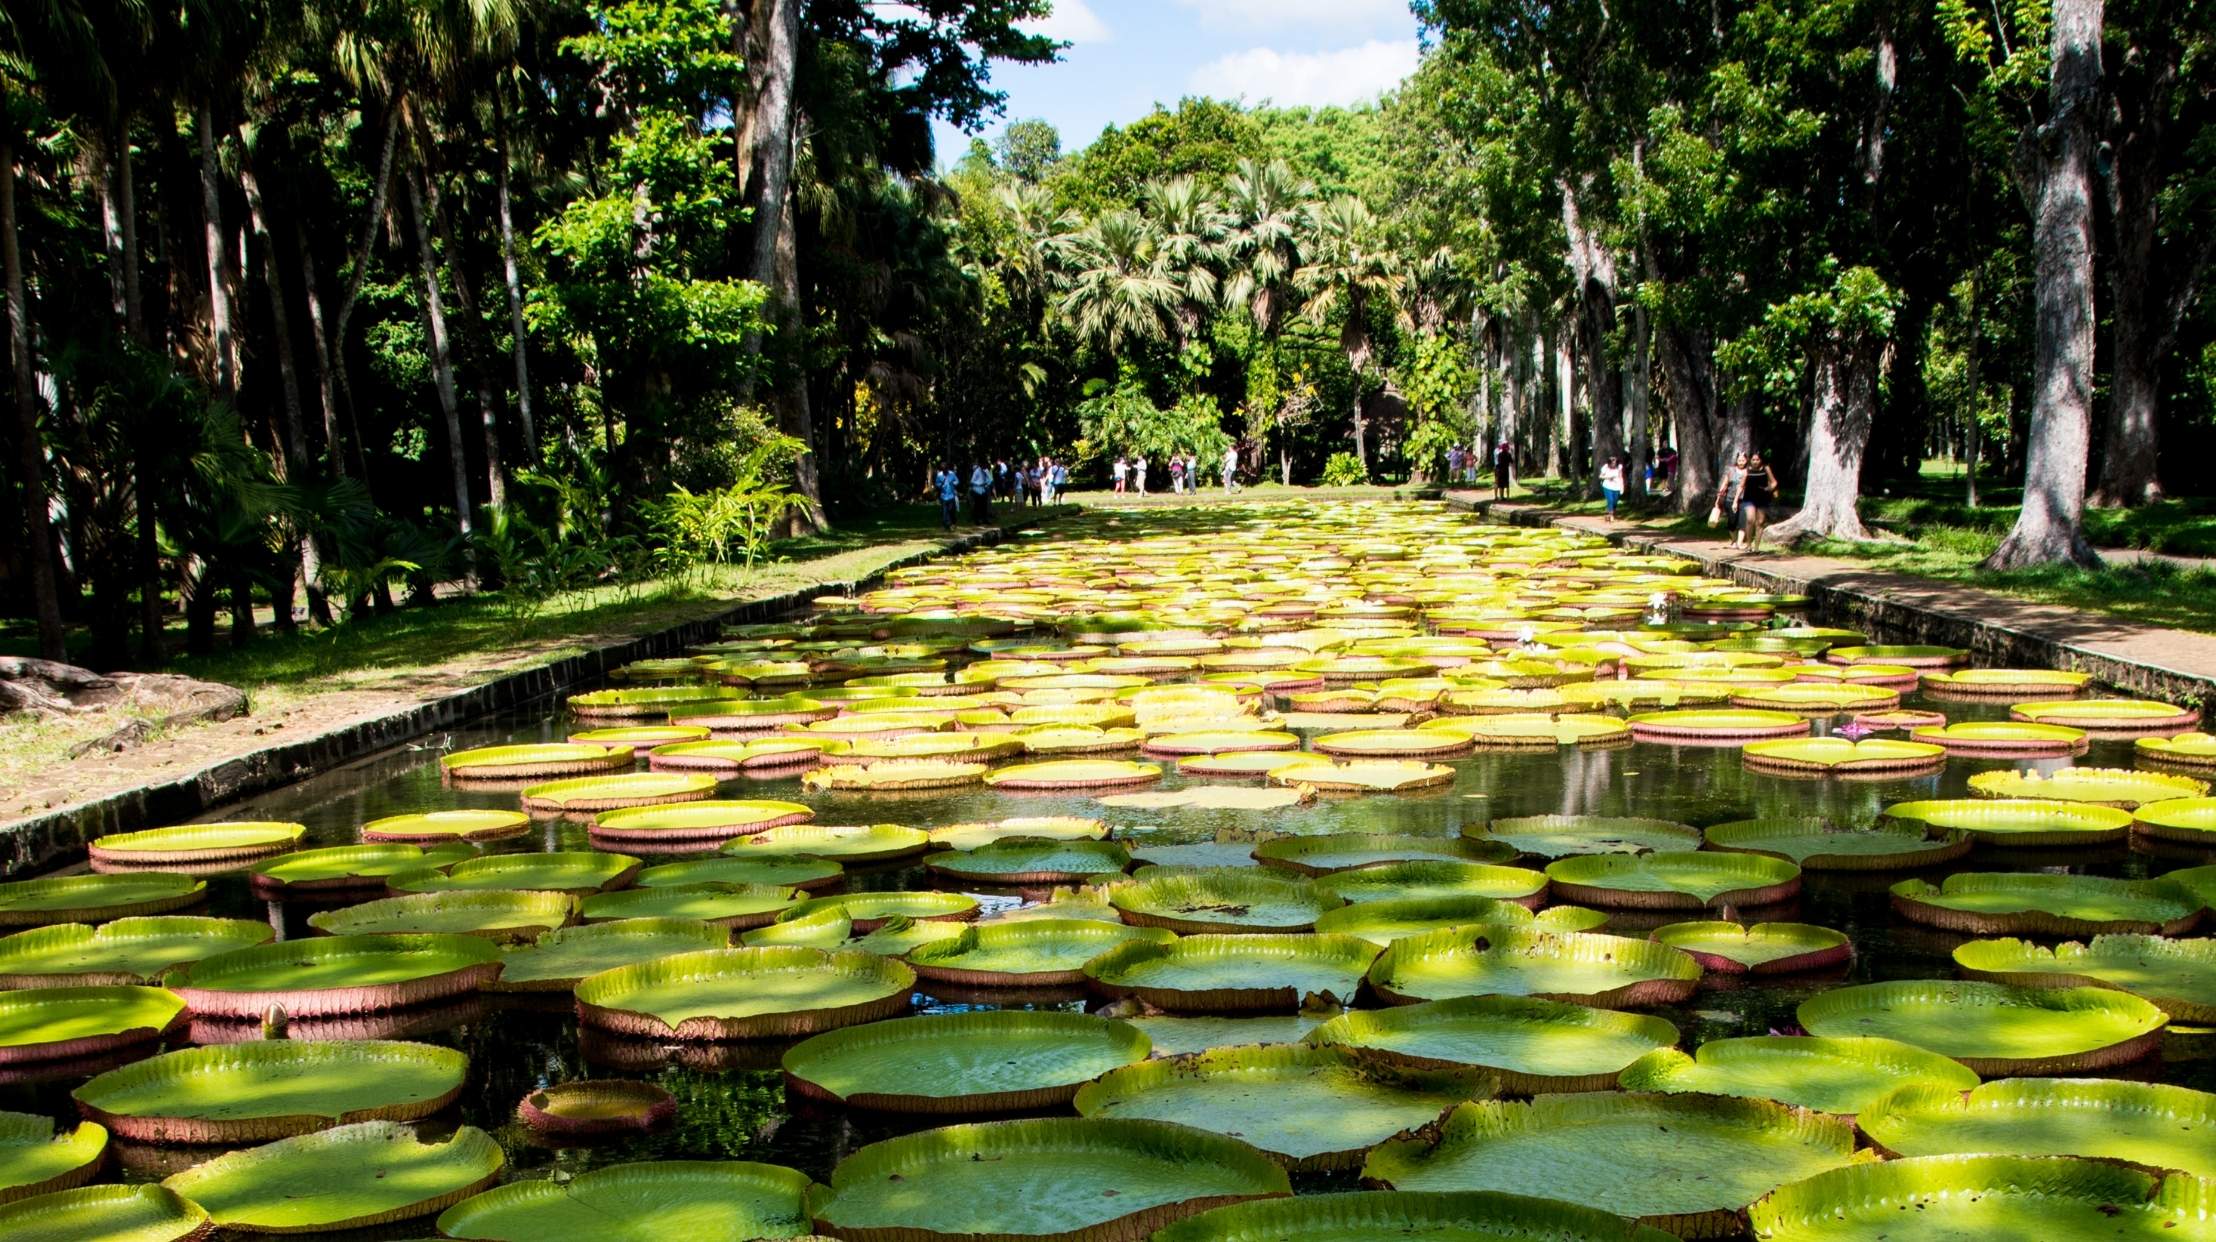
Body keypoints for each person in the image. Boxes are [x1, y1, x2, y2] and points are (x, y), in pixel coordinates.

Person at [1740, 452, 1779, 551]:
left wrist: (1769, 489)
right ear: (1750, 460)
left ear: (1761, 460)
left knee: (1760, 522)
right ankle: (1749, 545)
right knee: (1750, 519)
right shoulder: (1747, 470)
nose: (1755, 462)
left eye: (1757, 460)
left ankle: (1756, 547)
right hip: (1749, 497)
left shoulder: (1766, 468)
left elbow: (1774, 482)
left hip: (1762, 497)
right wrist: (1736, 500)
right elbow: (1741, 485)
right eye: (1753, 460)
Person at [1721, 453, 1750, 545]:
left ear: (1746, 461)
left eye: (1743, 460)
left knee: (1743, 521)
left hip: (1744, 499)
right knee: (1732, 522)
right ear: (1737, 461)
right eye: (1739, 460)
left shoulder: (1748, 472)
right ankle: (1734, 540)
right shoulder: (1731, 471)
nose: (1741, 463)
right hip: (1730, 498)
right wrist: (1720, 494)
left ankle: (1739, 543)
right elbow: (1725, 483)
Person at [1599, 455, 1626, 522]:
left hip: (1616, 487)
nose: (1614, 464)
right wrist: (1608, 477)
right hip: (1607, 486)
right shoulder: (1605, 467)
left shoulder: (1619, 467)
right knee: (1610, 500)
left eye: (1615, 463)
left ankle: (1609, 511)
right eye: (1612, 463)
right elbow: (1600, 476)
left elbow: (1620, 477)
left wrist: (1622, 486)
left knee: (1615, 502)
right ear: (1609, 463)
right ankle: (1611, 515)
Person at [935, 464, 960, 529]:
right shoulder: (939, 475)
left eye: (945, 470)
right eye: (943, 471)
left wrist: (953, 483)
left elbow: (957, 481)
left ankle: (952, 523)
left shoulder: (952, 474)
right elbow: (937, 484)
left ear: (947, 469)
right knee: (944, 511)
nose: (945, 472)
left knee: (951, 510)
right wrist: (941, 484)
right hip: (943, 496)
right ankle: (946, 524)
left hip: (951, 495)